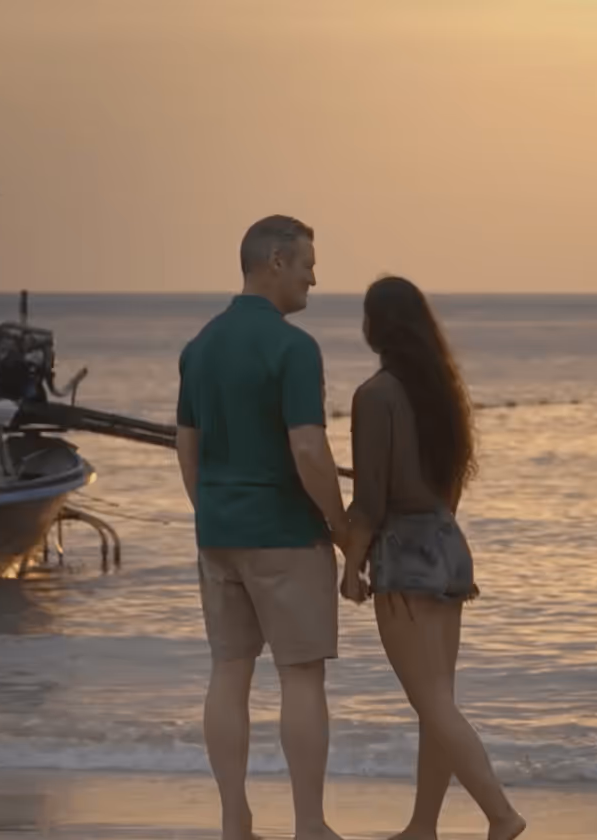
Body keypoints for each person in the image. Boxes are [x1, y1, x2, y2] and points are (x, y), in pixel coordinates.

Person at [175, 215, 349, 840]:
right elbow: (308, 447)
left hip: (218, 533)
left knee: (229, 670)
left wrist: (210, 510)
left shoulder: (200, 346)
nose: (313, 279)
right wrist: (341, 526)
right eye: (307, 265)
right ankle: (310, 825)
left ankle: (234, 821)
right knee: (300, 674)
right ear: (275, 261)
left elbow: (186, 447)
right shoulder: (293, 348)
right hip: (285, 533)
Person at [340, 276, 526, 840]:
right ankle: (423, 826)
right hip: (447, 543)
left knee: (433, 703)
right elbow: (451, 486)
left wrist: (350, 565)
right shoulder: (443, 392)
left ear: (375, 327)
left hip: (405, 553)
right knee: (438, 701)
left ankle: (501, 815)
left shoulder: (376, 396)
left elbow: (370, 501)